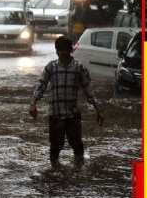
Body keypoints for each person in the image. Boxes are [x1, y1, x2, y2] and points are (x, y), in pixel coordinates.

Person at [29, 35, 104, 168]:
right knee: (55, 146)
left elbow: (88, 89)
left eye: (65, 50)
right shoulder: (51, 67)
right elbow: (41, 86)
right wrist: (33, 104)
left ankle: (78, 171)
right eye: (60, 50)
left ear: (71, 50)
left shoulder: (78, 68)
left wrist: (97, 109)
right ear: (56, 51)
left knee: (77, 145)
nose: (62, 53)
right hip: (55, 114)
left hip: (72, 114)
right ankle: (55, 172)